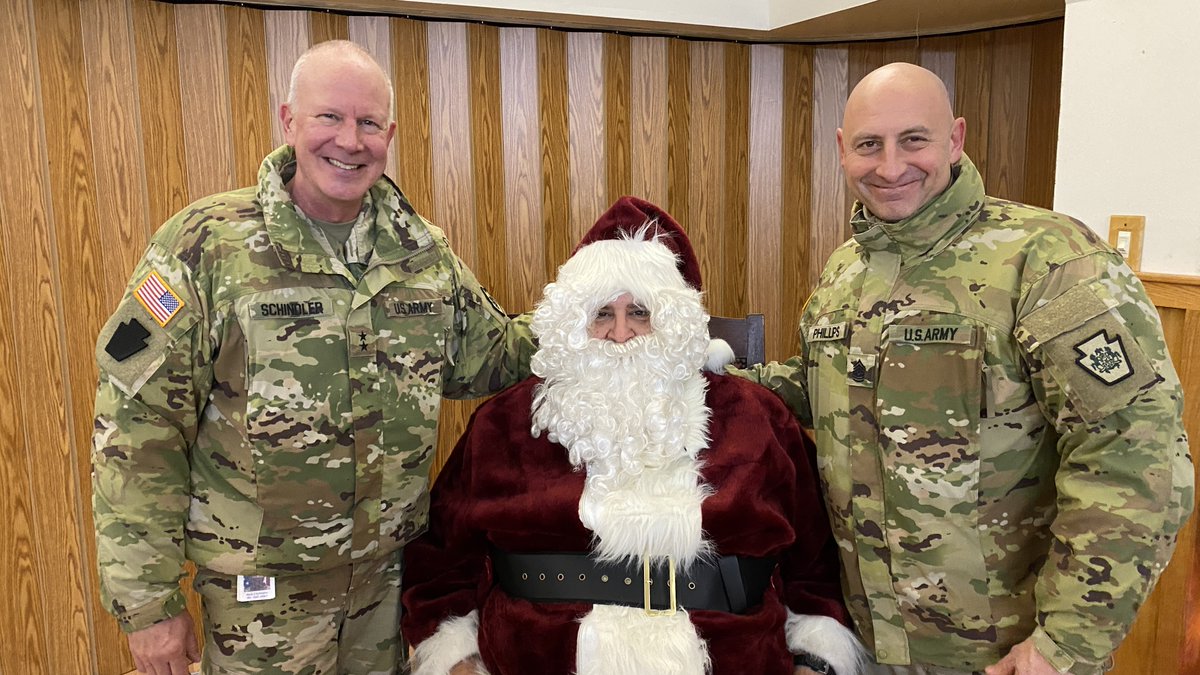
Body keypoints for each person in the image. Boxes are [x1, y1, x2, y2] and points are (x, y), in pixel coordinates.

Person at [91, 40, 533, 675]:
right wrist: (147, 604)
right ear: (289, 120)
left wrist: (602, 309)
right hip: (261, 601)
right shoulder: (208, 245)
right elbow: (137, 428)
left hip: (384, 590)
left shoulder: (419, 252)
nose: (349, 140)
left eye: (368, 122)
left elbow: (492, 357)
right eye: (329, 116)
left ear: (389, 135)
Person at [736, 62, 1193, 675]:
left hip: (1003, 655)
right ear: (843, 150)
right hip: (865, 641)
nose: (890, 166)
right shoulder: (846, 271)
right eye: (869, 144)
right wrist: (703, 381)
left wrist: (1067, 644)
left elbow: (1135, 454)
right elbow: (825, 391)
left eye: (913, 140)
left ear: (955, 139)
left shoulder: (1048, 259)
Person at [400, 196, 865, 675]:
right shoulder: (505, 423)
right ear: (573, 323)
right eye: (602, 313)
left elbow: (817, 567)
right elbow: (440, 566)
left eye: (640, 312)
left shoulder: (755, 417)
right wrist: (456, 661)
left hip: (729, 656)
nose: (620, 334)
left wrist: (816, 660)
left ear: (674, 323)